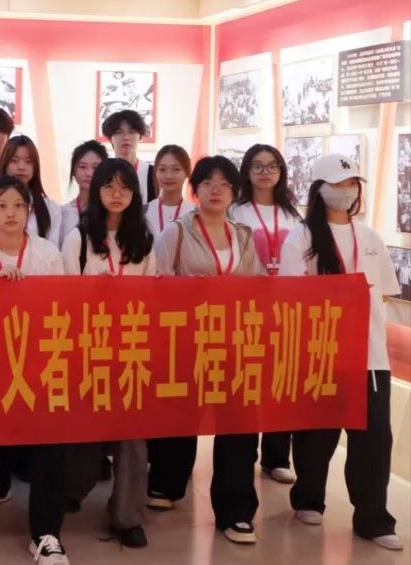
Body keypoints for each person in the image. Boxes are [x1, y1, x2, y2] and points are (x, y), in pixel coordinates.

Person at [279, 153, 404, 552]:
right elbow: (290, 296)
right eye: (337, 184)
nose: (346, 191)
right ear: (319, 189)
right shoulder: (301, 238)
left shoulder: (369, 237)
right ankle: (308, 497)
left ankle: (373, 517)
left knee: (374, 438)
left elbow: (383, 292)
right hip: (321, 352)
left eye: (352, 184)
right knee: (317, 431)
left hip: (369, 357)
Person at [150, 155, 265, 544]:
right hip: (188, 340)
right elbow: (158, 285)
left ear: (234, 191)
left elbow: (256, 286)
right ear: (195, 189)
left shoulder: (244, 235)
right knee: (181, 415)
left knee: (239, 425)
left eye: (225, 184)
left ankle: (236, 511)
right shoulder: (177, 233)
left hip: (235, 342)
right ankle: (166, 484)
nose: (216, 190)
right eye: (207, 183)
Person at [0, 175, 68, 565]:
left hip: (38, 361)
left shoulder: (47, 253)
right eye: (2, 206)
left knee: (49, 439)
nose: (10, 214)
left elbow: (60, 306)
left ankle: (45, 534)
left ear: (28, 211)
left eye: (18, 206)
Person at [61, 158, 153, 549]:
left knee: (132, 436)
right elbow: (62, 299)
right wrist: (91, 292)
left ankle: (127, 516)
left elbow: (153, 297)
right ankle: (72, 489)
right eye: (109, 186)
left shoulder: (144, 241)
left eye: (125, 187)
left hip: (131, 349)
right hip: (86, 347)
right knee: (85, 431)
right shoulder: (78, 239)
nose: (117, 194)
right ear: (96, 191)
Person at [228, 143, 303, 485]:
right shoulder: (235, 211)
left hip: (285, 308)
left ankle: (277, 457)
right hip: (246, 308)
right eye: (257, 166)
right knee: (247, 380)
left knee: (280, 381)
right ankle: (244, 451)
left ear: (281, 171)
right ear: (246, 172)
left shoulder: (293, 215)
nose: (265, 172)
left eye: (272, 166)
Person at [0, 135, 62, 245]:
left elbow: (53, 249)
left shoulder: (51, 208)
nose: (21, 167)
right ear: (4, 164)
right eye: (14, 161)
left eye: (28, 161)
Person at [58, 140, 108, 247]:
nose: (89, 173)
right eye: (82, 167)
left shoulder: (111, 211)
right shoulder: (63, 213)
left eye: (95, 167)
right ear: (73, 171)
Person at [101, 109, 155, 203]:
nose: (126, 137)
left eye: (132, 132)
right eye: (119, 132)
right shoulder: (102, 172)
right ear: (110, 138)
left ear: (140, 137)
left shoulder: (152, 174)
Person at [145, 144, 195, 236]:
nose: (169, 176)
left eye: (176, 169)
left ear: (187, 172)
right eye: (162, 169)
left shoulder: (194, 214)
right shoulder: (144, 212)